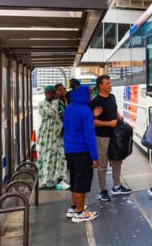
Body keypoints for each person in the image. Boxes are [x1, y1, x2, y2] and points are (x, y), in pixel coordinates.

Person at [90, 75, 131, 201]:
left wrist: (118, 116)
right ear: (100, 86)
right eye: (107, 83)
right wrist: (109, 123)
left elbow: (115, 110)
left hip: (115, 135)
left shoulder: (112, 97)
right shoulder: (95, 101)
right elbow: (93, 122)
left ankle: (117, 187)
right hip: (103, 137)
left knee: (117, 160)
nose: (110, 85)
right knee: (103, 164)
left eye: (110, 82)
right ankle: (103, 190)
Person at [63, 85, 100, 223]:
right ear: (83, 95)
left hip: (70, 150)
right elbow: (89, 136)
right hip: (82, 151)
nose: (91, 97)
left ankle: (73, 207)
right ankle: (80, 212)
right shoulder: (85, 111)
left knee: (74, 179)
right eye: (90, 94)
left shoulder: (69, 108)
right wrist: (94, 156)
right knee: (81, 182)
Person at [37, 86, 69, 189]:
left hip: (58, 135)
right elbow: (51, 113)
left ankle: (59, 179)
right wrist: (56, 101)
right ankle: (46, 180)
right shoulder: (42, 104)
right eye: (48, 92)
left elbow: (64, 114)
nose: (50, 94)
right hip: (46, 136)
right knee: (47, 157)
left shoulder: (59, 103)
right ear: (45, 93)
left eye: (52, 93)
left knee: (61, 156)